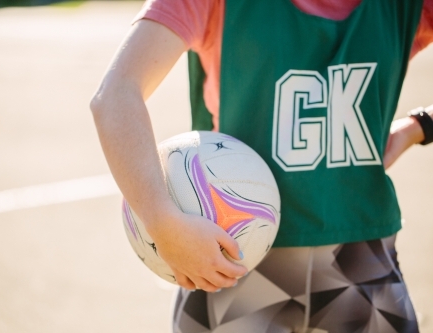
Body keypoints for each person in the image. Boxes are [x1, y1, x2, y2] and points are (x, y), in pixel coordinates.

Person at [90, 0, 433, 332]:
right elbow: (117, 92)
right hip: (228, 263)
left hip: (361, 258)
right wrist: (162, 221)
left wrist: (418, 127)